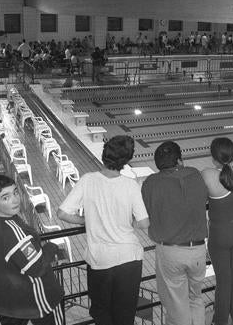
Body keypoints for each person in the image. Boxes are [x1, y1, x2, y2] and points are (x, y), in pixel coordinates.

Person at [57, 136, 149, 325]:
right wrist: (128, 221)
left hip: (100, 261)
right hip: (129, 258)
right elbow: (144, 222)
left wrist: (86, 220)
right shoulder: (130, 185)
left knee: (102, 313)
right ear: (126, 160)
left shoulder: (87, 180)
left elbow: (62, 213)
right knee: (125, 314)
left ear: (104, 155)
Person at [0, 175, 64, 325]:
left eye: (15, 192)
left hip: (6, 301)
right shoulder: (15, 233)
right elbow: (37, 268)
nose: (15, 199)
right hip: (38, 300)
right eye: (6, 197)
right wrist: (52, 247)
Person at [141, 141, 209, 325]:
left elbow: (143, 216)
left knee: (176, 305)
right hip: (198, 250)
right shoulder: (195, 174)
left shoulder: (151, 183)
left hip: (170, 252)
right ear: (179, 160)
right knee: (195, 298)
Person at [201, 138, 233, 325]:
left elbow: (202, 199)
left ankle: (219, 321)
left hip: (220, 232)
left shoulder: (206, 174)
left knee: (224, 280)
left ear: (213, 157)